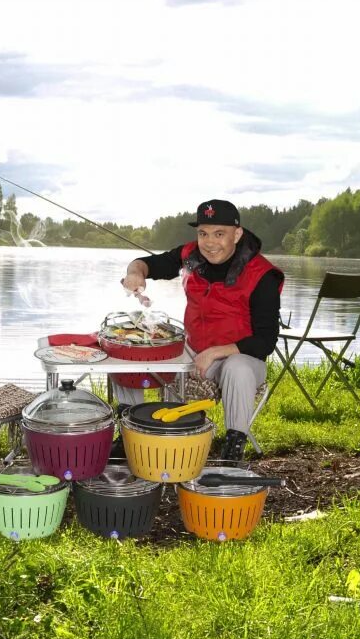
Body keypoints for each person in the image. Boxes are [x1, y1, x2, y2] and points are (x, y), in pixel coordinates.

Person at [116, 198, 283, 464]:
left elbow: (266, 341)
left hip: (240, 358)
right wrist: (135, 272)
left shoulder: (262, 274)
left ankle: (233, 449)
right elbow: (148, 264)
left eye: (220, 234)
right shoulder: (190, 255)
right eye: (203, 233)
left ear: (237, 234)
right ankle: (128, 432)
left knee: (236, 367)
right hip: (193, 350)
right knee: (131, 346)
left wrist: (217, 352)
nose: (210, 242)